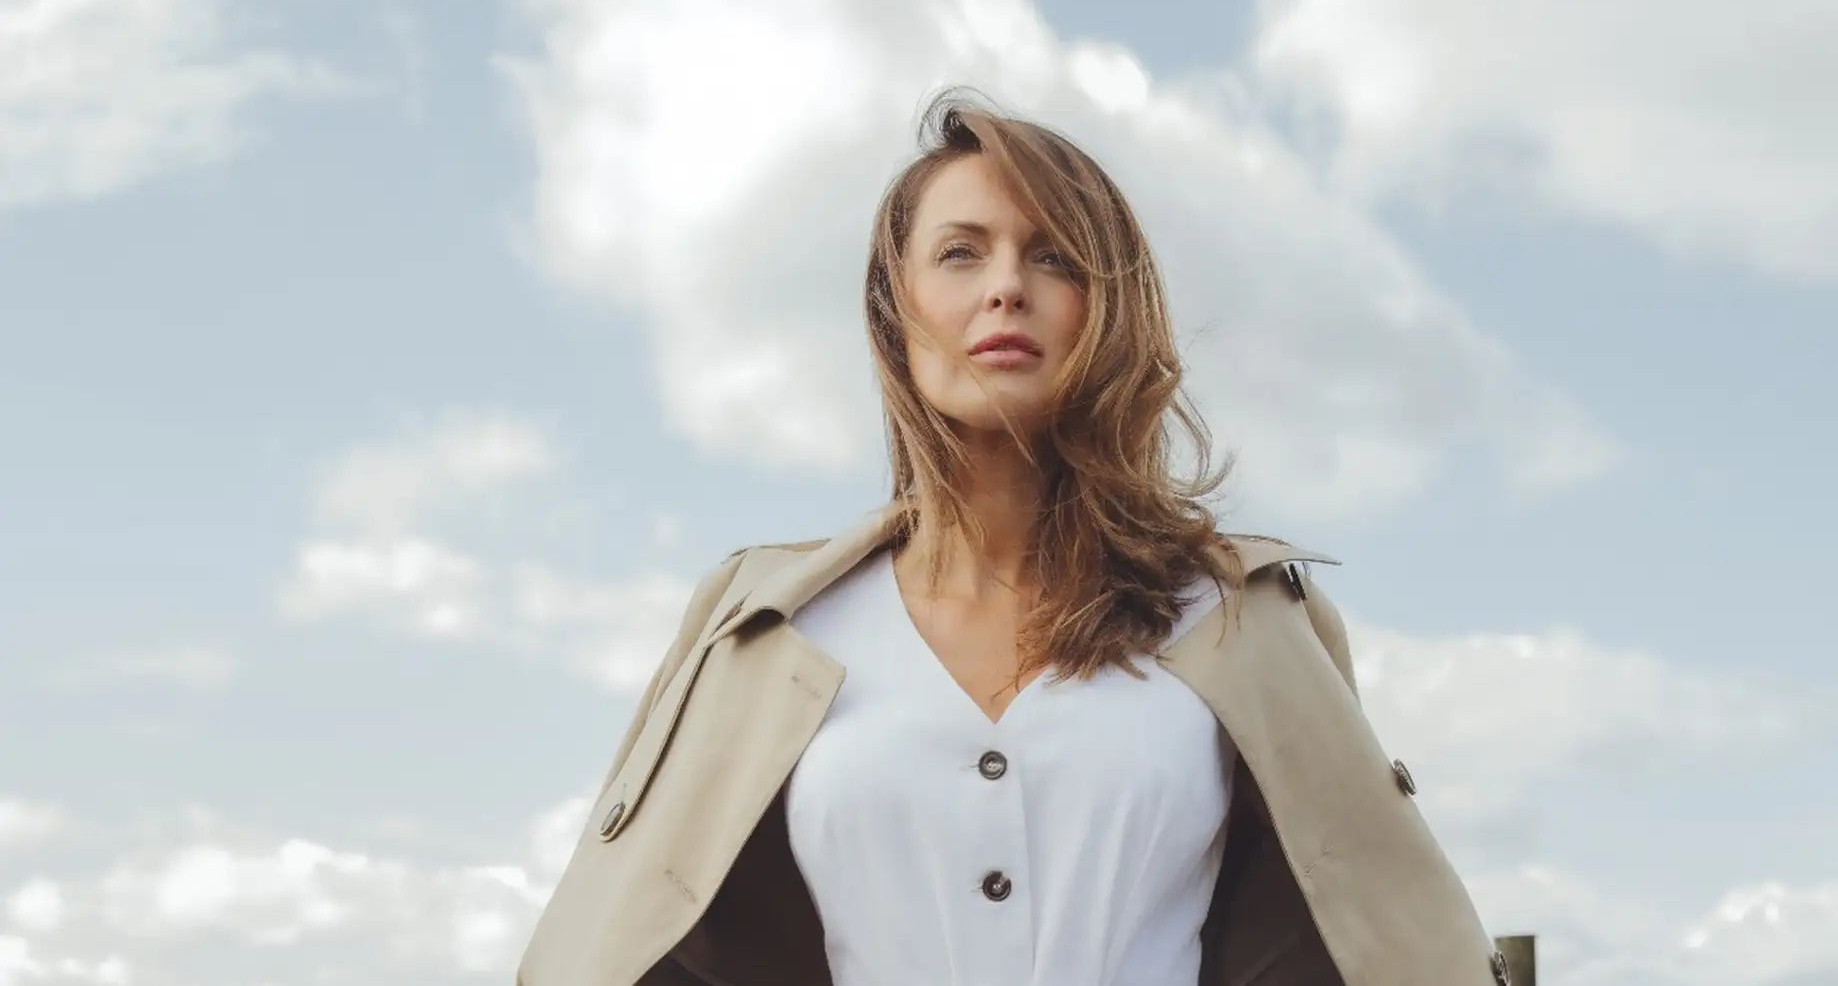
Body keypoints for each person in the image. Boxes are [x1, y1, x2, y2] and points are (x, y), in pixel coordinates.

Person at [517, 90, 1510, 985]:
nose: (1006, 287)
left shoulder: (1240, 619)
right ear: (893, 308)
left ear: (1105, 307)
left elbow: (1362, 927)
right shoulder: (768, 626)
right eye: (959, 253)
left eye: (1052, 256)